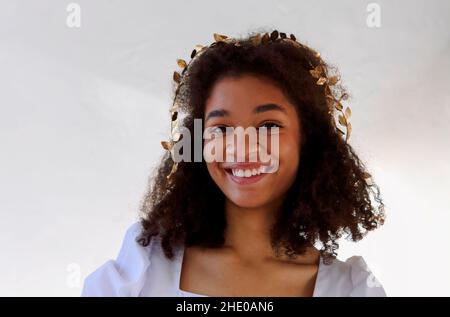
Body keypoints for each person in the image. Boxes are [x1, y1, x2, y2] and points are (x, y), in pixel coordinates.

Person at [82, 30, 386, 297]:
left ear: (307, 140)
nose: (241, 147)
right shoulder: (144, 267)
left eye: (268, 125)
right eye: (222, 128)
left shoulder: (349, 289)